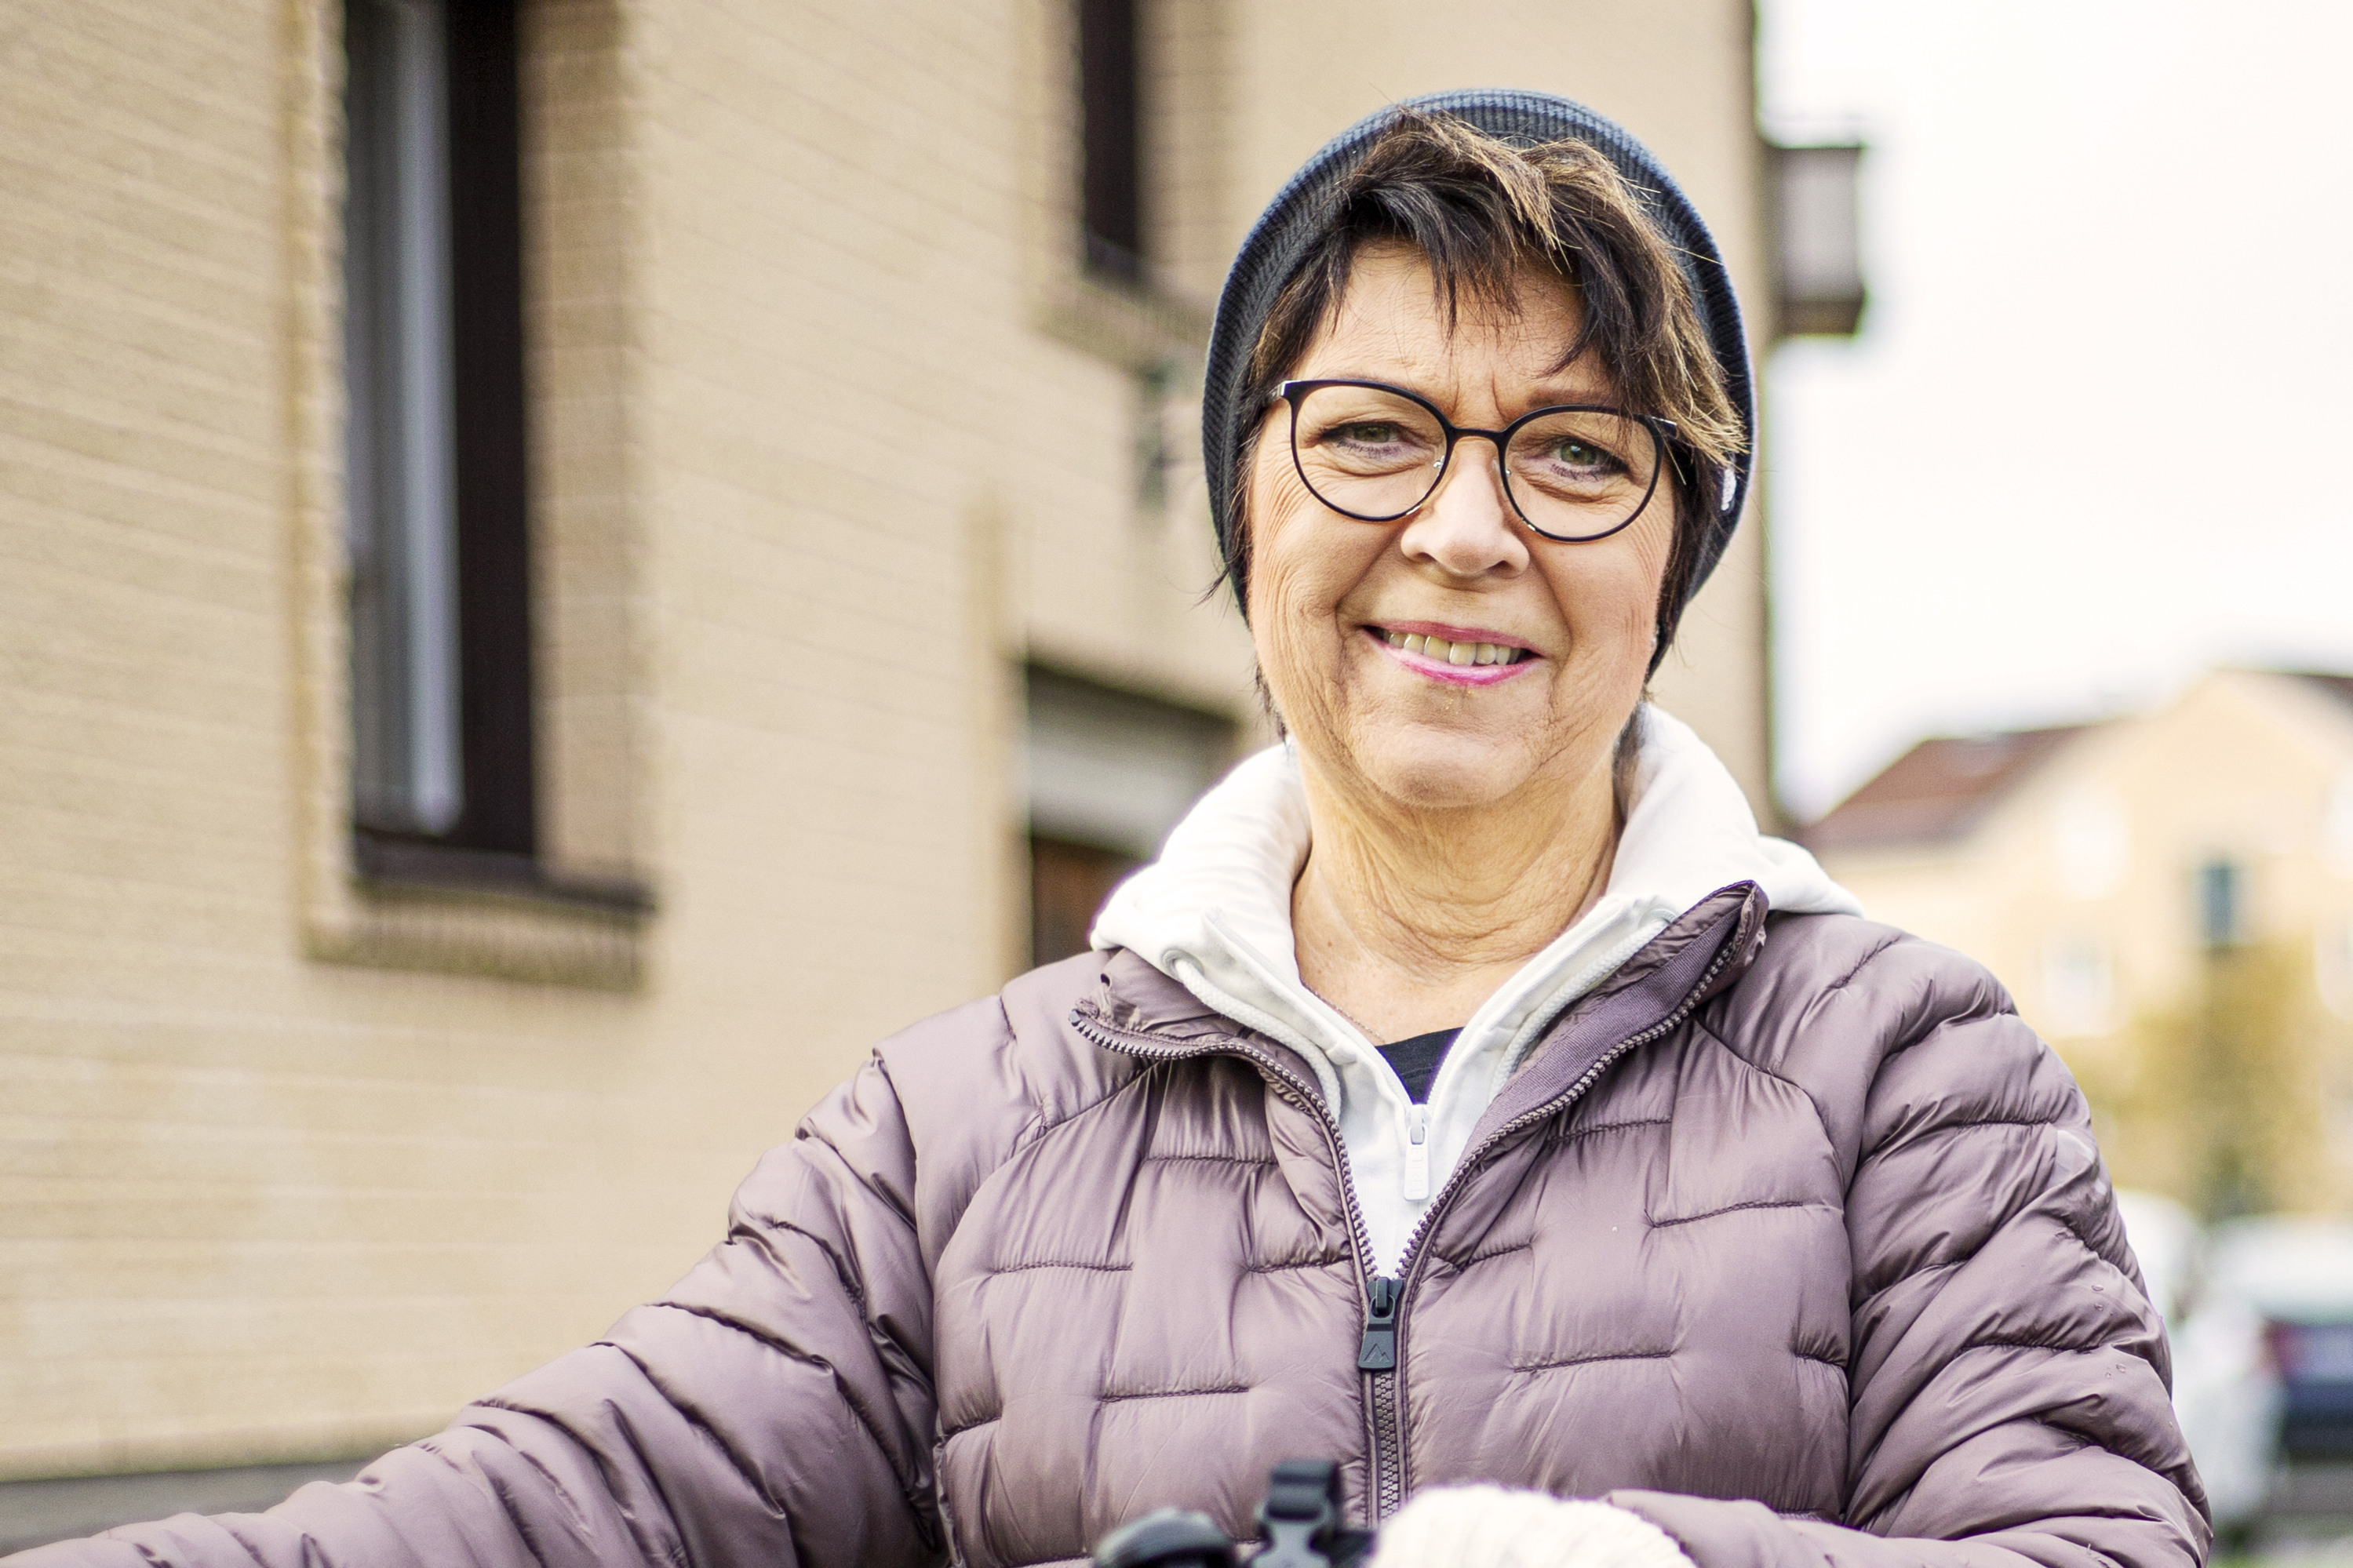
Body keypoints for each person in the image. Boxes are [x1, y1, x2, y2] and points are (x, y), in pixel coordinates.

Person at [18, 89, 2206, 1568]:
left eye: (1575, 456)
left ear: (1673, 554)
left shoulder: (1906, 1075)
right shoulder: (960, 1135)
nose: (1462, 529)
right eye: (1370, 435)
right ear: (1248, 509)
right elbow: (589, 1497)